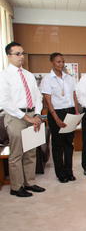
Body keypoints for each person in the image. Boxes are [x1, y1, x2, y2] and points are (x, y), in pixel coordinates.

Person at [0, 41, 46, 197]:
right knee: (17, 153)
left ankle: (30, 182)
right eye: (17, 54)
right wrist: (26, 117)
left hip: (32, 115)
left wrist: (38, 114)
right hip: (15, 117)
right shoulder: (4, 76)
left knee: (31, 152)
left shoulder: (28, 74)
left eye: (22, 53)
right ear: (9, 56)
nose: (21, 57)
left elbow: (38, 96)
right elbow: (4, 102)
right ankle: (16, 186)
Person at [41, 52, 80, 183]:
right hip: (56, 113)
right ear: (52, 62)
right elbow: (48, 101)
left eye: (62, 61)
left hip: (70, 112)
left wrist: (76, 113)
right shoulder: (47, 79)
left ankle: (69, 171)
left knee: (69, 144)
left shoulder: (69, 78)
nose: (61, 64)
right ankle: (60, 173)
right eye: (58, 62)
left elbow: (74, 96)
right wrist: (56, 118)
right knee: (58, 145)